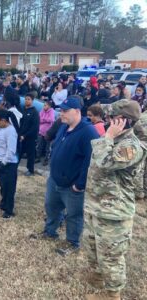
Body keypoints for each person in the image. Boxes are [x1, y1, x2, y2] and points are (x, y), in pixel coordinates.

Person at [84, 100, 143, 300]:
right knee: (94, 250)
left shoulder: (131, 146)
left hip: (114, 213)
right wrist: (108, 137)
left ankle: (112, 295)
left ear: (124, 121)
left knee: (111, 257)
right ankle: (99, 282)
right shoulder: (113, 140)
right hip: (96, 206)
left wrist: (107, 136)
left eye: (112, 117)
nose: (108, 120)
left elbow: (105, 162)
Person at [30, 96, 99, 256]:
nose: (61, 113)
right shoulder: (63, 125)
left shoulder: (88, 132)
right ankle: (50, 231)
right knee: (51, 207)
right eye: (61, 110)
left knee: (74, 215)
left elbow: (91, 162)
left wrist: (80, 184)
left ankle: (72, 242)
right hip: (54, 180)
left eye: (65, 111)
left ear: (77, 111)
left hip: (72, 185)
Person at [20, 93, 40, 176]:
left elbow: (34, 127)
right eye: (26, 99)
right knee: (19, 152)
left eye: (28, 99)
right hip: (21, 137)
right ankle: (14, 166)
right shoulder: (23, 110)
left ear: (32, 101)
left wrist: (25, 135)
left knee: (30, 155)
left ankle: (30, 170)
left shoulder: (34, 112)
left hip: (30, 138)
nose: (26, 101)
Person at [36, 100, 55, 166]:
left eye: (45, 105)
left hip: (48, 132)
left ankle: (46, 159)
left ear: (49, 106)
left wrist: (43, 119)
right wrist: (45, 120)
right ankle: (38, 157)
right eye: (44, 105)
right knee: (39, 145)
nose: (44, 106)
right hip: (41, 131)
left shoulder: (52, 111)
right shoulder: (42, 111)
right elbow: (39, 119)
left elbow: (51, 119)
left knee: (48, 147)